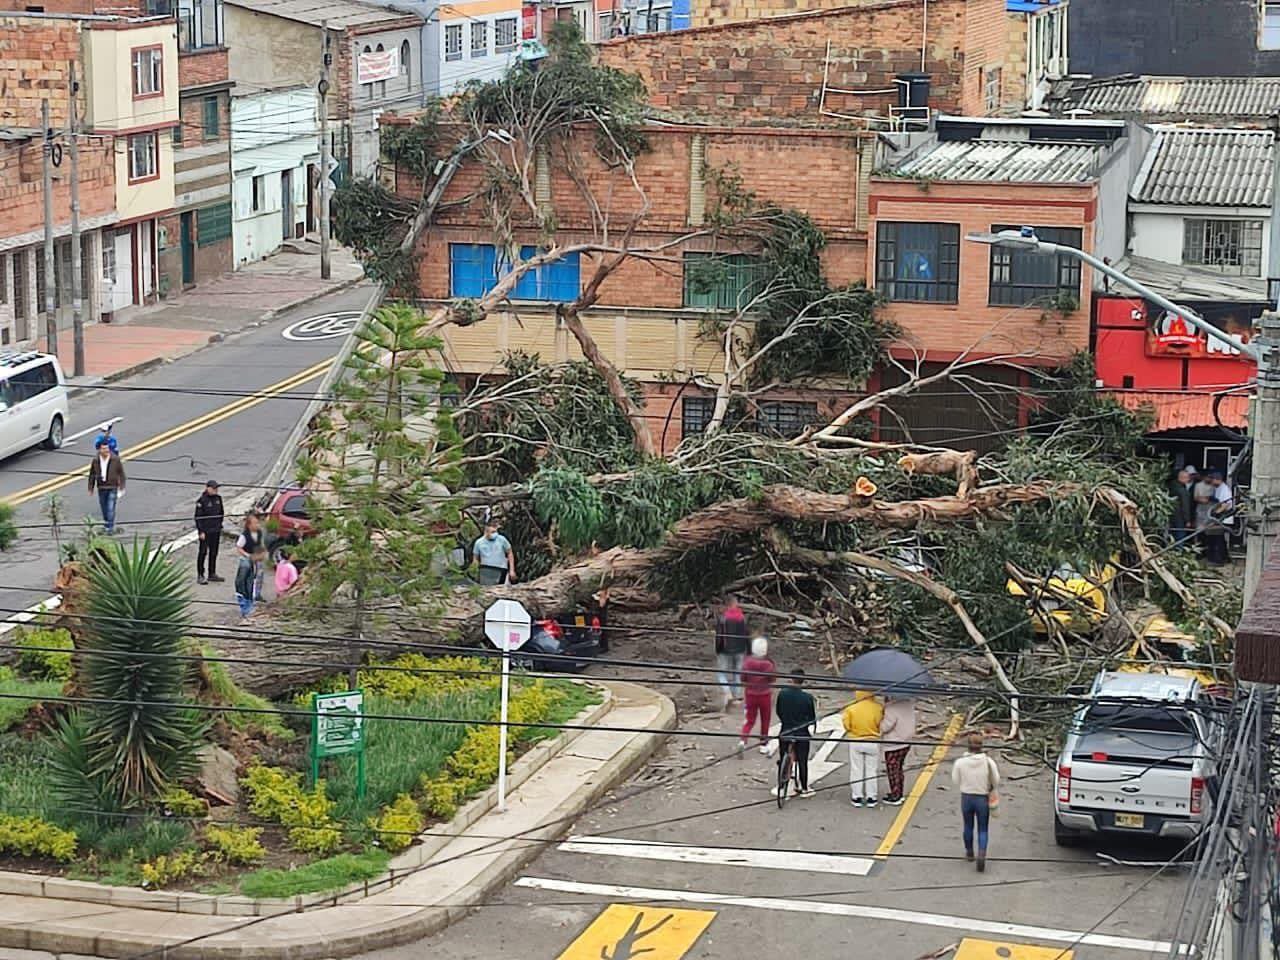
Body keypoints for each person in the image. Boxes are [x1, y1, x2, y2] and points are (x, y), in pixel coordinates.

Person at [951, 732, 1001, 872]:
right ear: (981, 746)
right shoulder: (988, 762)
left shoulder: (960, 762)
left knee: (968, 825)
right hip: (982, 798)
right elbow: (996, 780)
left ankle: (969, 852)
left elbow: (955, 780)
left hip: (967, 797)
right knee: (983, 828)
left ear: (968, 746)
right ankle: (982, 854)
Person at [773, 668, 817, 798]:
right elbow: (811, 718)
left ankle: (781, 784)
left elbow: (779, 711)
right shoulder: (807, 698)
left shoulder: (782, 694)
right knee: (802, 760)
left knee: (783, 757)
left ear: (790, 679)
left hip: (786, 730)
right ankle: (804, 787)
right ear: (803, 681)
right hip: (801, 733)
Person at [842, 689, 884, 807]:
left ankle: (857, 796)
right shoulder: (878, 708)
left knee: (856, 769)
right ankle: (872, 797)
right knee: (871, 770)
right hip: (873, 741)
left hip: (856, 741)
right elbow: (881, 724)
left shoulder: (851, 708)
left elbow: (846, 725)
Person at [739, 636, 776, 755]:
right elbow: (772, 679)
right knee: (765, 720)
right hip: (765, 694)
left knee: (749, 720)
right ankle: (763, 744)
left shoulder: (747, 662)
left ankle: (743, 740)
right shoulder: (769, 665)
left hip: (750, 694)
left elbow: (742, 678)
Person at [714, 595, 749, 710]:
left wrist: (717, 649)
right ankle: (736, 697)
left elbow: (719, 635)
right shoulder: (742, 617)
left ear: (727, 605)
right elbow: (746, 634)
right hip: (740, 650)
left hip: (725, 649)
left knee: (720, 673)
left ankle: (727, 692)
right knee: (737, 674)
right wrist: (748, 650)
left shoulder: (723, 618)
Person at [879, 696, 916, 806]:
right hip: (906, 742)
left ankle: (895, 795)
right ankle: (899, 792)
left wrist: (880, 719)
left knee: (893, 770)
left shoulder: (891, 709)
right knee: (899, 769)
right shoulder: (908, 703)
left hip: (893, 744)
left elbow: (885, 727)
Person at [86, 438, 125, 534]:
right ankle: (106, 524)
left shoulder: (115, 459)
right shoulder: (95, 460)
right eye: (103, 449)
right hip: (101, 487)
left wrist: (122, 486)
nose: (106, 451)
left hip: (112, 487)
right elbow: (92, 474)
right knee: (104, 508)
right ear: (99, 450)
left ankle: (110, 528)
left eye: (107, 448)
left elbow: (121, 473)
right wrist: (90, 488)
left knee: (110, 507)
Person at [234, 514, 266, 618]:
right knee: (243, 581)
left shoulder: (259, 533)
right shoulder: (245, 535)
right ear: (249, 525)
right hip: (246, 560)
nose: (257, 525)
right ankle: (244, 604)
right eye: (255, 523)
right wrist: (248, 555)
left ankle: (254, 597)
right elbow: (239, 547)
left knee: (254, 579)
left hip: (256, 559)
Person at [194, 480, 225, 585]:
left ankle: (212, 573)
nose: (216, 490)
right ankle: (200, 574)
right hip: (206, 531)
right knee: (203, 552)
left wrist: (220, 525)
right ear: (208, 488)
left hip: (215, 530)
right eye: (214, 488)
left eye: (216, 488)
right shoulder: (202, 501)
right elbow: (198, 518)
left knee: (214, 552)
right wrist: (201, 531)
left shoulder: (218, 499)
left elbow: (221, 513)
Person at [1202, 470, 1233, 566]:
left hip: (1224, 517)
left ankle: (1218, 560)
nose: (1211, 481)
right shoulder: (1218, 488)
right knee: (1220, 539)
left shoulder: (1224, 489)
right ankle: (1225, 557)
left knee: (1217, 538)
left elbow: (1226, 504)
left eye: (1212, 479)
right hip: (1220, 517)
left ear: (1217, 479)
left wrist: (1215, 513)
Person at [472, 520, 516, 586]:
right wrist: (474, 571)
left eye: (495, 531)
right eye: (492, 532)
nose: (494, 534)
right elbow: (475, 558)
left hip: (501, 569)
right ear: (486, 531)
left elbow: (510, 553)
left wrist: (512, 570)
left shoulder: (502, 539)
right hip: (486, 570)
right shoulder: (479, 542)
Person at [1170, 467, 1196, 547]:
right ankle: (1178, 553)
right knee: (1180, 536)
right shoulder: (1182, 491)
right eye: (1188, 477)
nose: (1189, 479)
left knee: (1172, 536)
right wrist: (1187, 520)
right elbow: (1185, 506)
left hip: (1172, 515)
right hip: (1180, 517)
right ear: (1182, 478)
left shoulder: (1172, 486)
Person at [1193, 468, 1216, 551]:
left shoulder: (1213, 486)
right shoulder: (1198, 485)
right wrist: (1203, 499)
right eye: (1208, 477)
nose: (1209, 479)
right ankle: (1197, 549)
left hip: (1210, 509)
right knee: (1199, 530)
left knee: (1209, 530)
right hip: (1200, 509)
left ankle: (1208, 550)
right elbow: (1196, 497)